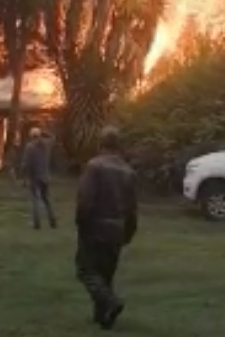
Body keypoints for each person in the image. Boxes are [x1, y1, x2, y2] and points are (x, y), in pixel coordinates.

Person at [75, 126, 138, 330]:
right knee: (106, 274)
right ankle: (103, 318)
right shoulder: (128, 171)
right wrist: (129, 232)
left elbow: (85, 201)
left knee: (86, 270)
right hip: (117, 228)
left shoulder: (95, 166)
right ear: (119, 144)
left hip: (96, 226)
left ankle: (111, 303)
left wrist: (81, 223)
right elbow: (132, 208)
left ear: (100, 143)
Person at [19, 127, 57, 230]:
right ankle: (53, 221)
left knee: (35, 200)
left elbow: (25, 164)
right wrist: (44, 131)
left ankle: (37, 224)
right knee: (47, 199)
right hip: (45, 176)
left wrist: (24, 178)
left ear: (31, 136)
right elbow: (53, 137)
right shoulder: (47, 144)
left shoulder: (29, 147)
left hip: (34, 177)